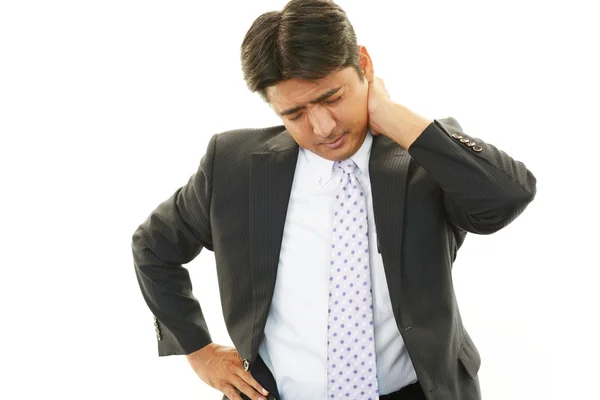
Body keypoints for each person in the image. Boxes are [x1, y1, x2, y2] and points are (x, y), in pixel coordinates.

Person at [131, 1, 537, 399]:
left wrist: (391, 115)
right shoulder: (233, 165)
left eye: (332, 97)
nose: (323, 127)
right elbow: (153, 246)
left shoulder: (423, 158)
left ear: (364, 64)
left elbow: (505, 197)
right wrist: (198, 351)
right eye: (295, 113)